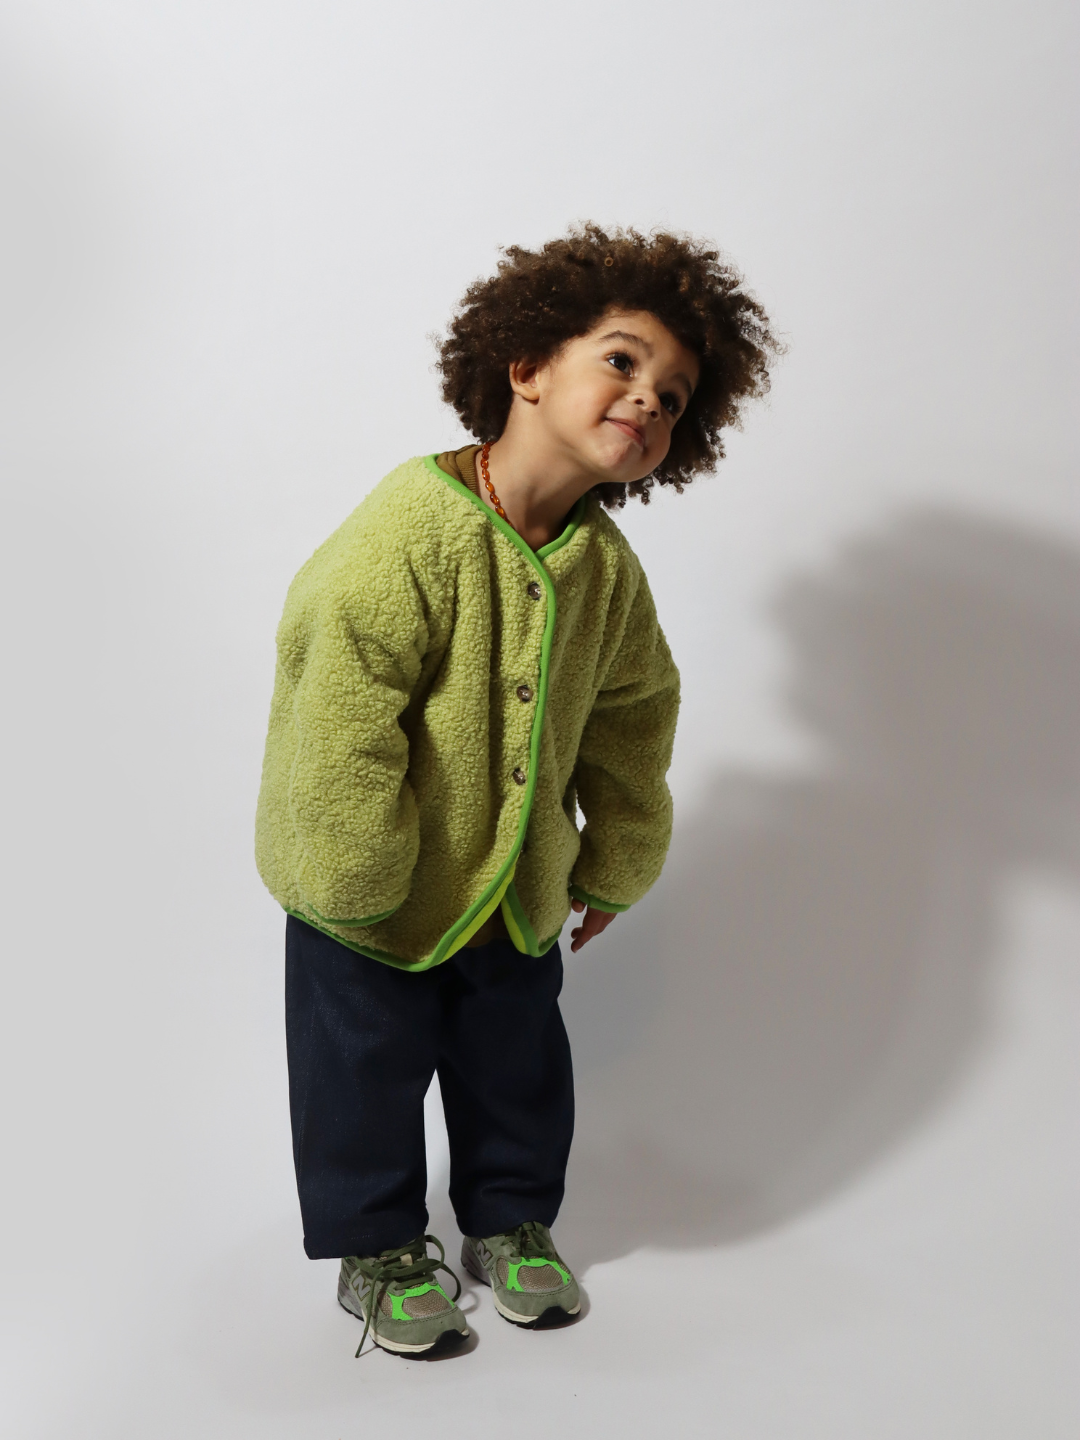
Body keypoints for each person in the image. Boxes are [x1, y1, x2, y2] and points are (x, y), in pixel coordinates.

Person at [255, 224, 778, 1356]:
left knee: (516, 1058)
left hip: (514, 884)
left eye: (677, 398)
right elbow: (338, 697)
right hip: (370, 891)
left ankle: (511, 1218)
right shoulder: (407, 530)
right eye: (624, 361)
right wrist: (353, 877)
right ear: (528, 365)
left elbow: (637, 717)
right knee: (361, 1071)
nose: (649, 401)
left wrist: (615, 860)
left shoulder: (604, 571)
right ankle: (379, 1246)